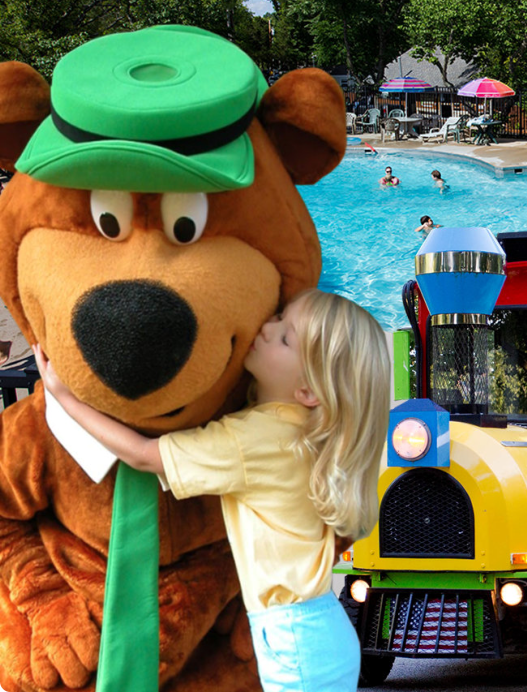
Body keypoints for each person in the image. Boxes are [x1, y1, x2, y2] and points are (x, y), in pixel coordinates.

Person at [34, 288, 391, 692]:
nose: (267, 328)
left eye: (285, 338)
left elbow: (144, 456)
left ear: (308, 391)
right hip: (317, 629)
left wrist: (64, 397)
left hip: (294, 640)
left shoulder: (256, 438)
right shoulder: (302, 433)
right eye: (279, 316)